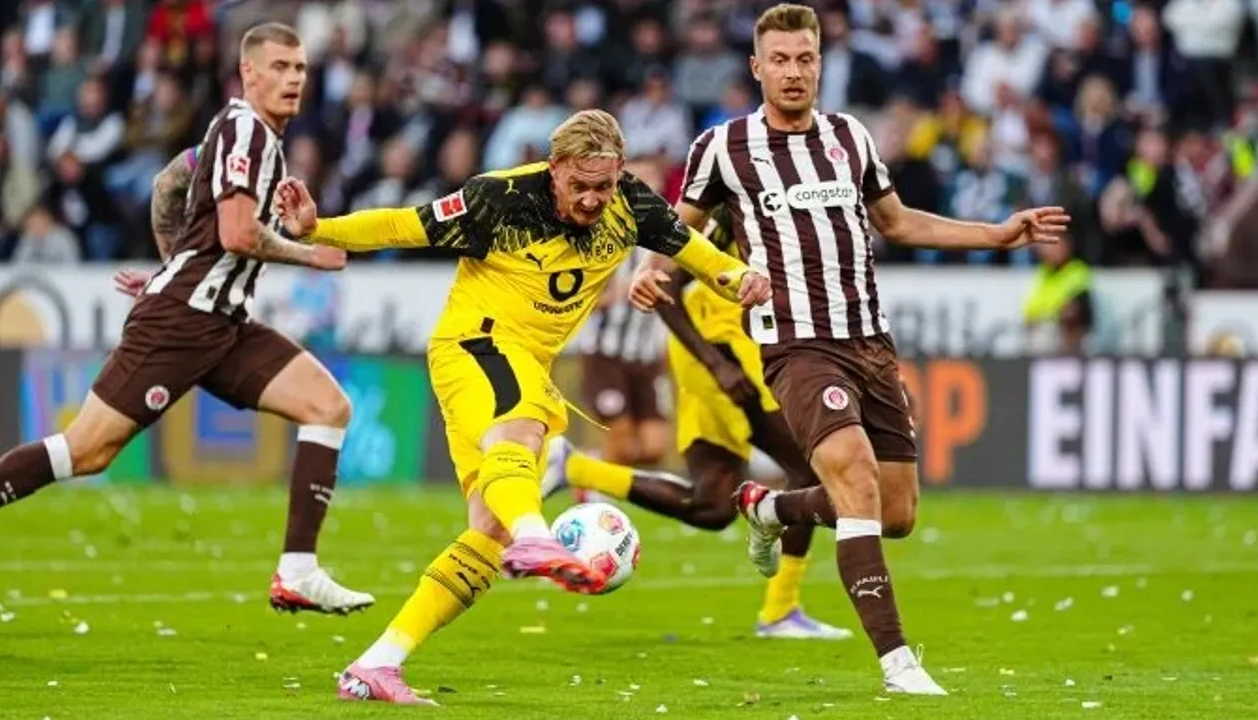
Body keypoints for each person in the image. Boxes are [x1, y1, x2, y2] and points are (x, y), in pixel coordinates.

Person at [629, 3, 1068, 696]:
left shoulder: (849, 137)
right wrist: (653, 275)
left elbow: (897, 221)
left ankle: (772, 509)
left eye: (805, 59)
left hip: (870, 343)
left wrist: (994, 234)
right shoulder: (723, 147)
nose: (794, 72)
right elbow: (677, 234)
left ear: (820, 65)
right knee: (856, 481)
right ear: (757, 67)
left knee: (895, 514)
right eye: (780, 60)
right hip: (796, 347)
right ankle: (899, 663)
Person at [272, 109, 772, 706]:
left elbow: (690, 248)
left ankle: (376, 665)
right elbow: (404, 225)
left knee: (487, 530)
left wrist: (737, 276)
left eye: (603, 186)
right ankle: (536, 536)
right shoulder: (500, 199)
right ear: (554, 167)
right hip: (477, 343)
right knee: (524, 429)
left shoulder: (630, 203)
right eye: (579, 185)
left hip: (524, 362)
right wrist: (317, 228)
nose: (592, 199)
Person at [0, 22, 376, 616]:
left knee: (328, 406)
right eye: (279, 67)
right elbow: (237, 233)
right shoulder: (248, 131)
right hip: (182, 324)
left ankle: (298, 571)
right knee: (87, 451)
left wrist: (176, 266)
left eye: (300, 68)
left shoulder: (241, 133)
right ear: (248, 72)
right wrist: (310, 254)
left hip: (222, 323)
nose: (293, 79)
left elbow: (168, 182)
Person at [541, 204, 848, 639]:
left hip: (740, 357)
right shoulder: (735, 207)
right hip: (725, 358)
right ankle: (780, 609)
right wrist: (717, 365)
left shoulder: (803, 211)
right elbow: (665, 282)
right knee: (809, 466)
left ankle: (575, 467)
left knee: (714, 506)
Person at [570, 155, 673, 470]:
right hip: (606, 353)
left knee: (654, 447)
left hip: (648, 356)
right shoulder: (600, 232)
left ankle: (580, 465)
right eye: (634, 180)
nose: (642, 187)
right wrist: (623, 289)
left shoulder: (667, 234)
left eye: (649, 180)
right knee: (621, 438)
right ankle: (595, 489)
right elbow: (576, 296)